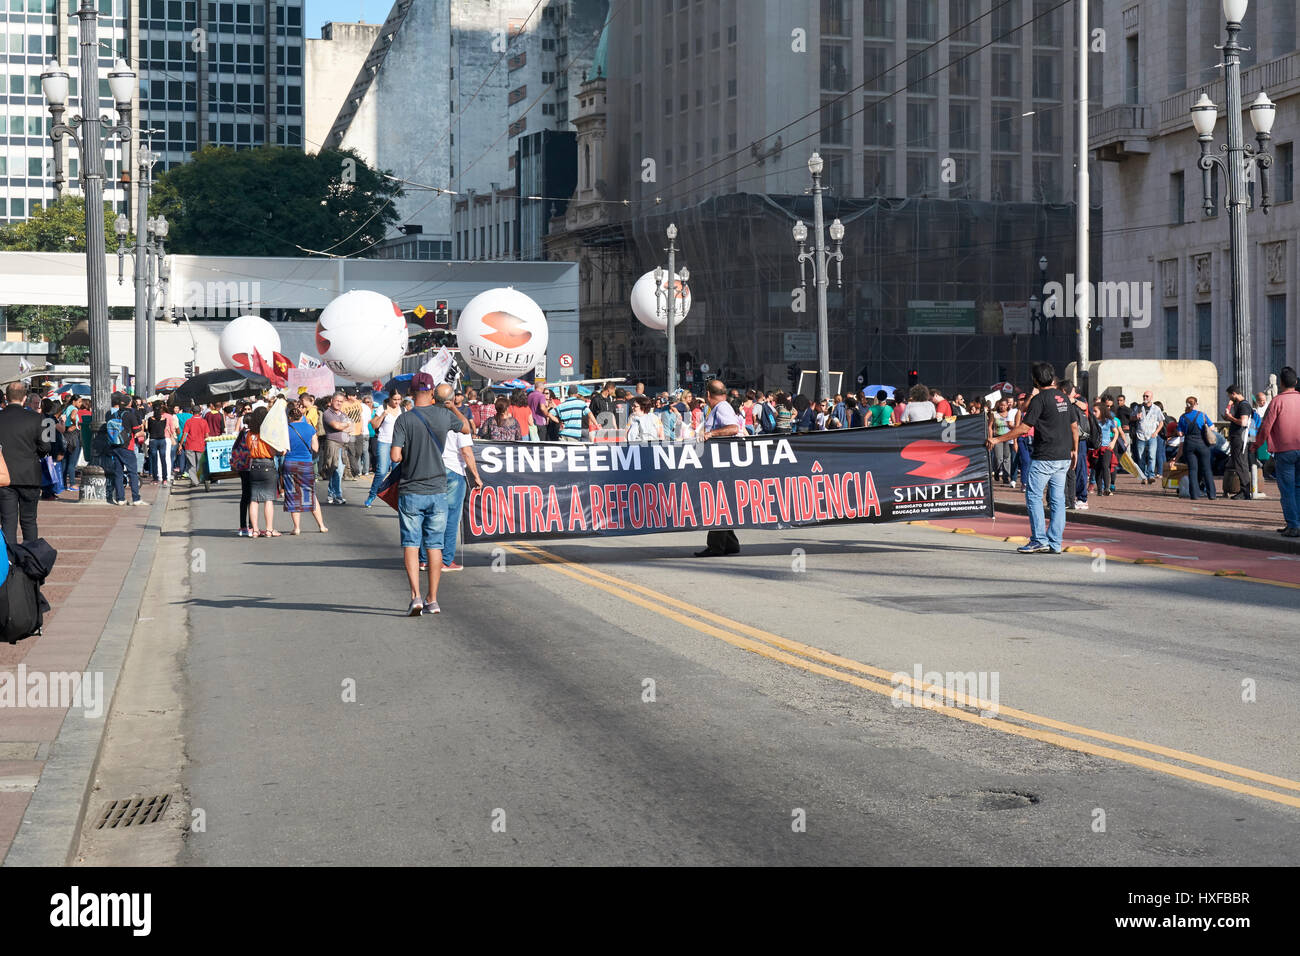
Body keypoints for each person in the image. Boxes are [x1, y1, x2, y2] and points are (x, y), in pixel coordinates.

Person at [389, 372, 469, 616]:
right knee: (435, 545)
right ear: (432, 392)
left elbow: (395, 456)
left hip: (411, 489)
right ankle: (432, 599)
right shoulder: (445, 415)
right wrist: (453, 407)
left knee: (411, 545)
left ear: (411, 394)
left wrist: (406, 454)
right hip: (438, 490)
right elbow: (465, 428)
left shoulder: (404, 420)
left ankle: (415, 596)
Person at [988, 362, 1077, 555]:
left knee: (1034, 497)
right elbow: (1074, 426)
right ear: (1053, 377)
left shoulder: (1040, 399)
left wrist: (997, 439)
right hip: (1063, 456)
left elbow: (1024, 427)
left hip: (1045, 456)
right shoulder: (1063, 397)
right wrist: (1075, 450)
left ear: (1035, 380)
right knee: (1057, 500)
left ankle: (1038, 539)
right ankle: (1055, 542)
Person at [695, 379, 743, 557]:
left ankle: (716, 546)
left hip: (723, 466)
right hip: (721, 464)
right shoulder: (720, 407)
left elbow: (732, 428)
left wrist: (710, 434)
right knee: (722, 503)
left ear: (708, 394)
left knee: (717, 504)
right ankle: (730, 543)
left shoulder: (722, 407)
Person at [438, 384, 483, 572]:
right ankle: (445, 560)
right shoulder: (459, 423)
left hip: (433, 469)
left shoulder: (432, 417)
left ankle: (425, 558)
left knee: (432, 516)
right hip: (454, 471)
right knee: (450, 518)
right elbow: (466, 452)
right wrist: (476, 477)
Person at [1253, 366, 1300, 537]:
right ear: (1295, 382)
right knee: (1298, 487)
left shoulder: (1277, 401)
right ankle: (1297, 523)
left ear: (1280, 383)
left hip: (1285, 451)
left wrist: (1256, 444)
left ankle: (1293, 525)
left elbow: (1266, 427)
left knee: (1287, 490)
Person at [0, 384, 50, 543]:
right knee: (29, 521)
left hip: (4, 475)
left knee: (8, 521)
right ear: (24, 398)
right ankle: (30, 557)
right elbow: (46, 447)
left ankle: (9, 560)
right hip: (29, 475)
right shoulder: (37, 418)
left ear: (6, 398)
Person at [281, 403, 328, 534]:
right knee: (310, 494)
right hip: (306, 464)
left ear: (290, 417)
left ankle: (296, 528)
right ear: (301, 416)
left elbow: (283, 451)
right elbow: (315, 448)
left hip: (290, 463)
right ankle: (321, 525)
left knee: (292, 494)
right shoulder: (310, 429)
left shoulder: (286, 429)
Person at [364, 392, 404, 508]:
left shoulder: (403, 410)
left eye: (399, 399)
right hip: (384, 441)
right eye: (394, 399)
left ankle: (397, 501)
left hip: (398, 444)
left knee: (397, 473)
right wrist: (382, 415)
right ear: (390, 398)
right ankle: (372, 495)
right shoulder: (382, 408)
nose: (397, 402)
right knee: (382, 471)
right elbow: (374, 425)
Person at [1174, 396, 1216, 500]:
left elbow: (1180, 433)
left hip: (1189, 444)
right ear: (1196, 404)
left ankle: (1195, 495)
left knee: (1192, 470)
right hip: (1202, 444)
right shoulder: (1202, 415)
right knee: (1206, 469)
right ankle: (1212, 494)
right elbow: (1212, 427)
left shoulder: (1183, 417)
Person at [106, 393, 144, 506]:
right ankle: (136, 498)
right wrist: (144, 433)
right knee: (132, 472)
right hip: (127, 447)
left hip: (115, 446)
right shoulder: (130, 415)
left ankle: (120, 498)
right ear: (130, 403)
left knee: (118, 473)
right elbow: (137, 433)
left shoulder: (113, 415)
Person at [1223, 384, 1253, 499]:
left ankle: (1245, 491)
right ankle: (1243, 490)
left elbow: (1243, 422)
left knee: (1241, 463)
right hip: (1238, 438)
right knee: (1239, 463)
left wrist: (1230, 418)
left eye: (1230, 396)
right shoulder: (1239, 405)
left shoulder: (1244, 406)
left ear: (1234, 394)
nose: (1229, 398)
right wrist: (1229, 408)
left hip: (1240, 438)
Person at [322, 392, 351, 504]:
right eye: (337, 400)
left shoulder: (343, 414)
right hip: (332, 443)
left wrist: (345, 426)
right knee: (335, 469)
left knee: (338, 470)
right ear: (332, 401)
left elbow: (350, 427)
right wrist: (345, 425)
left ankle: (331, 494)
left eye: (341, 401)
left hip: (343, 444)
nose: (339, 403)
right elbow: (336, 426)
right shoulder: (327, 413)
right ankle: (337, 495)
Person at [1131, 390, 1164, 484]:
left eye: (1147, 396)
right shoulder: (1138, 407)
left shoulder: (1156, 409)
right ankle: (1143, 476)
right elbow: (1131, 417)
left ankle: (1151, 475)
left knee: (1151, 455)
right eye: (1144, 396)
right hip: (1140, 434)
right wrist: (1135, 417)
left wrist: (1156, 432)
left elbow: (1161, 422)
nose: (1145, 398)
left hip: (1152, 435)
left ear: (1151, 397)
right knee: (1141, 456)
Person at [1093, 403, 1120, 496]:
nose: (1094, 413)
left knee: (1105, 466)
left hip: (1106, 447)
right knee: (1097, 468)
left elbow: (1116, 432)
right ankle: (1099, 490)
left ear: (1102, 411)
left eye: (1096, 411)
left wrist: (1113, 442)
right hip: (1095, 447)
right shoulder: (1093, 421)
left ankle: (1107, 488)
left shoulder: (1109, 421)